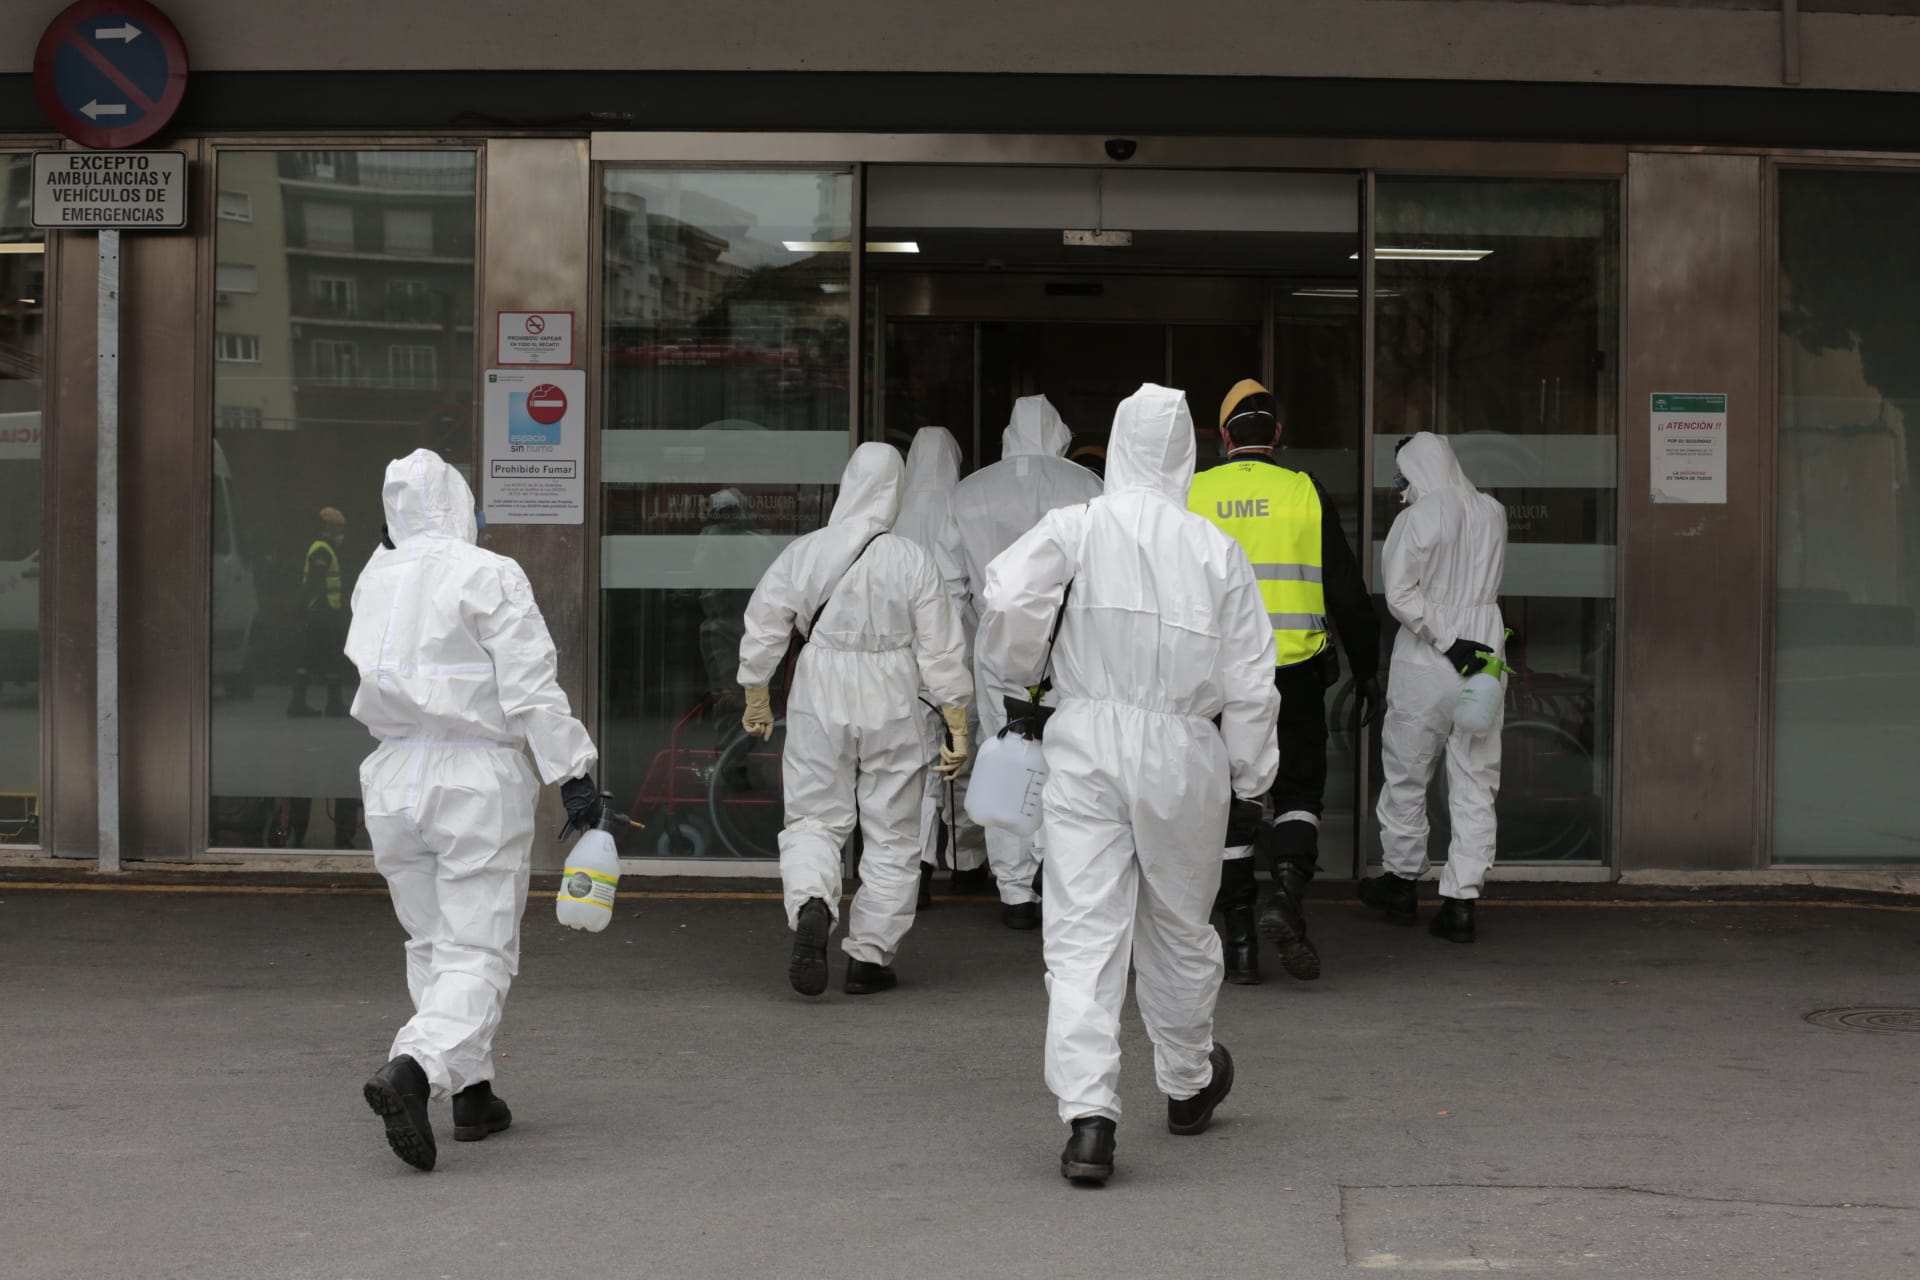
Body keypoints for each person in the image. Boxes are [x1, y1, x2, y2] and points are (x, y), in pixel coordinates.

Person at [979, 383, 1279, 1186]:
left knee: (1082, 932)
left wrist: (1016, 678)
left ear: (1114, 445)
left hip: (1085, 741)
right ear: (1186, 453)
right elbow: (1253, 680)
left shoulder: (1077, 527)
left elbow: (1006, 592)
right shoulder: (1216, 550)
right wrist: (1252, 778)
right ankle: (1186, 1086)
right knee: (1179, 923)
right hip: (1183, 751)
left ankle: (1089, 1121)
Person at [349, 449, 602, 1173]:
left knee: (432, 942)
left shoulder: (375, 576)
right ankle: (414, 1068)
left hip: (394, 775)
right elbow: (530, 690)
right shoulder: (487, 572)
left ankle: (473, 1093)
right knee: (478, 949)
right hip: (473, 777)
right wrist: (574, 774)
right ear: (461, 503)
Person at [737, 442, 971, 997]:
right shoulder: (912, 558)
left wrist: (756, 692)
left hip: (821, 688)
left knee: (815, 817)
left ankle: (814, 901)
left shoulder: (806, 551)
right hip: (894, 692)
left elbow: (766, 620)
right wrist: (957, 721)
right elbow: (941, 647)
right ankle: (870, 956)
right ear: (895, 491)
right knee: (892, 831)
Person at [1188, 380, 1382, 984]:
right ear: (1276, 435)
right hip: (1294, 672)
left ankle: (1241, 939)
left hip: (1216, 677)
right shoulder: (1304, 491)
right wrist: (1370, 667)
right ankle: (1288, 897)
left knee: (1229, 799)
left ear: (1224, 438)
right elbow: (1347, 592)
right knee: (1298, 790)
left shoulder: (1192, 491)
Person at [949, 395, 1102, 928]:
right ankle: (1055, 877)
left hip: (997, 644)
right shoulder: (1087, 487)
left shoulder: (968, 492)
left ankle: (1015, 892)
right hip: (1069, 645)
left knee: (1004, 757)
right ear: (1059, 434)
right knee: (1067, 761)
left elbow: (951, 584)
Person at [1359, 432, 1508, 944]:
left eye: (1403, 476)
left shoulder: (1417, 519)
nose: (1401, 487)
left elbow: (1400, 593)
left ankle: (1401, 884)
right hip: (1485, 657)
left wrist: (1445, 638)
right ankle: (1461, 901)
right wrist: (1468, 643)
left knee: (1407, 771)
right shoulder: (1493, 512)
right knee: (1474, 778)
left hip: (1426, 659)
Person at [891, 427, 991, 907]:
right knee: (960, 760)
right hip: (954, 650)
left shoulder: (891, 512)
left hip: (900, 659)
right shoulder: (961, 507)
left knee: (915, 766)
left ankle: (919, 868)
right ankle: (967, 863)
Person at [289, 506, 350, 717]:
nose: (341, 534)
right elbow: (316, 582)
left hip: (320, 613)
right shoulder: (322, 550)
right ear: (327, 528)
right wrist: (303, 606)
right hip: (322, 614)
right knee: (330, 656)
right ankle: (332, 704)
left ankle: (298, 704)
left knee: (309, 657)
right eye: (337, 529)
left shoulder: (326, 549)